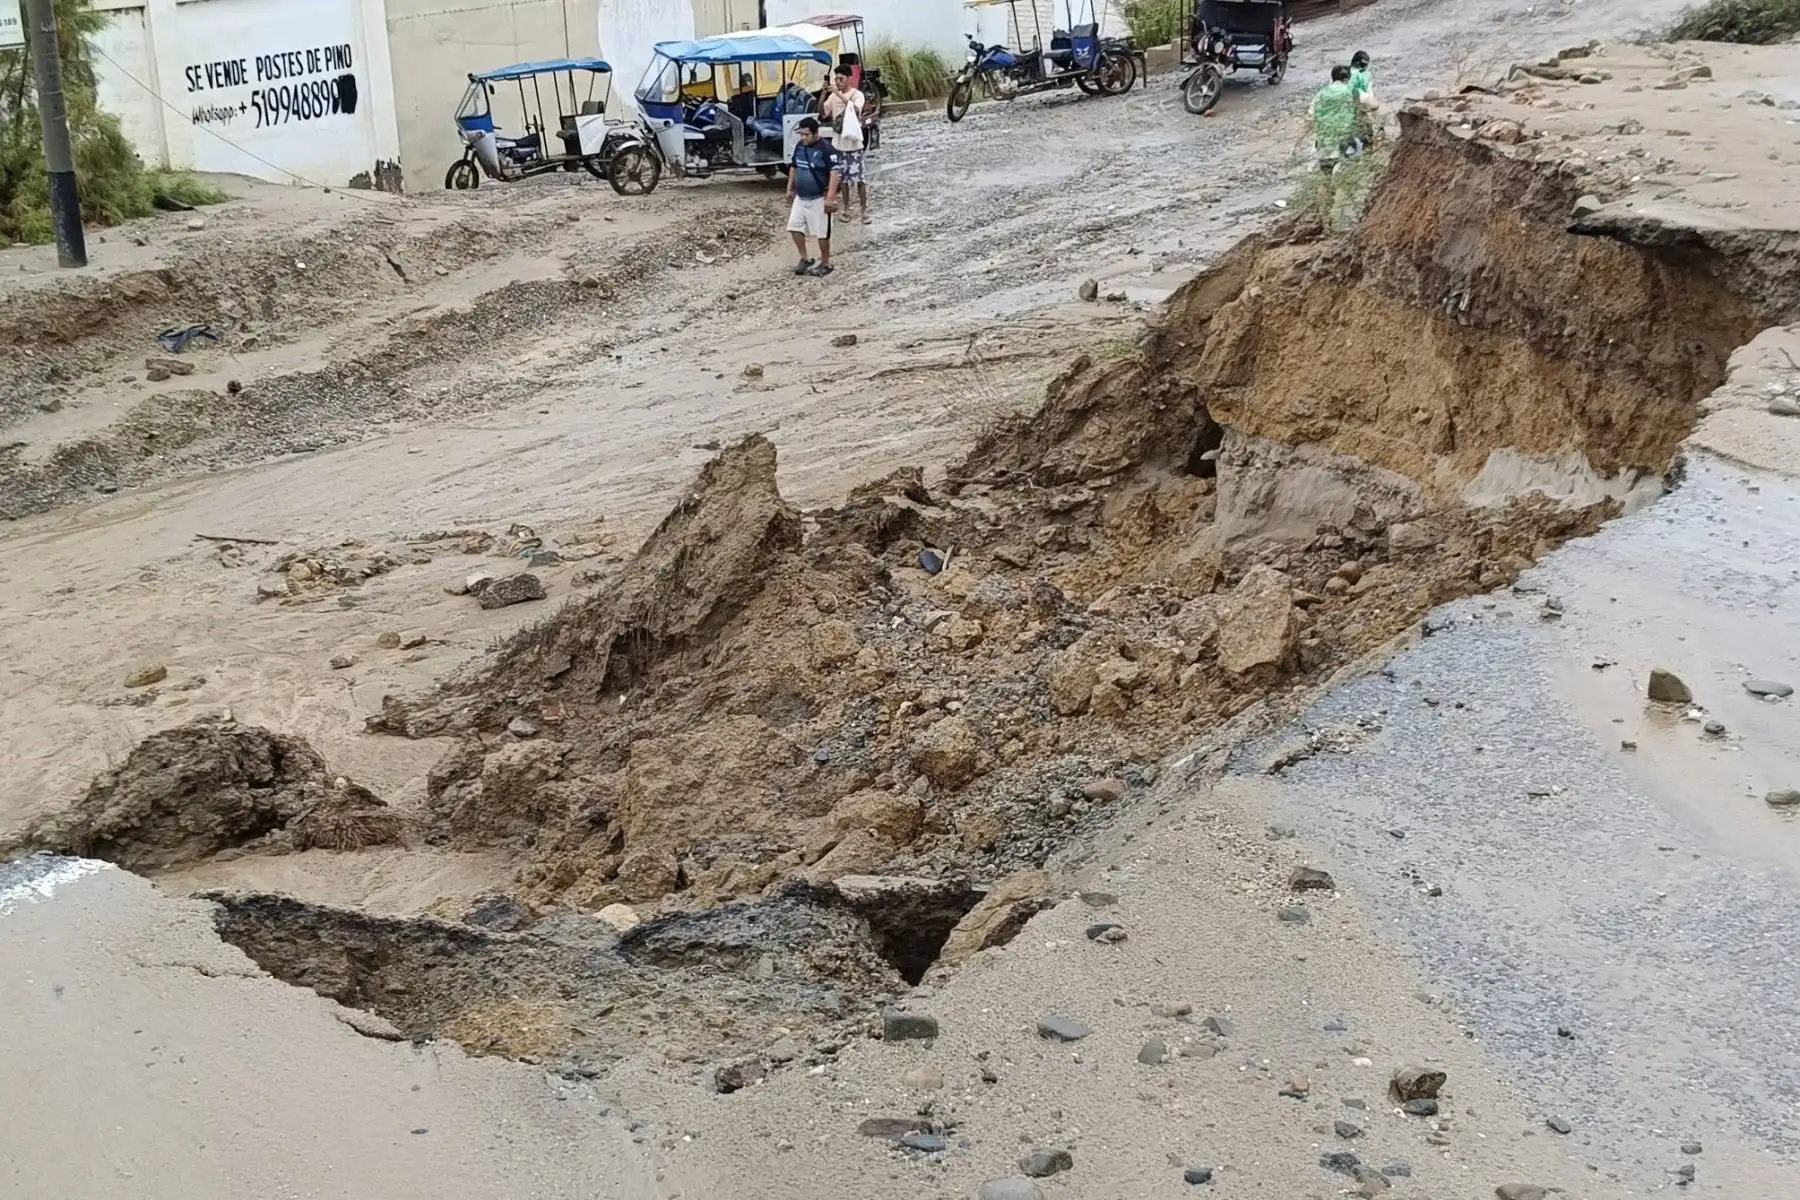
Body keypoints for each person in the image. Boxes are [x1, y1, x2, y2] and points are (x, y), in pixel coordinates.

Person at [787, 117, 841, 277]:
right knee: (794, 228)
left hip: (819, 196)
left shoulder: (826, 149)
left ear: (815, 133)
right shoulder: (799, 146)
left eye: (806, 135)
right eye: (801, 134)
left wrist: (830, 197)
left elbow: (835, 172)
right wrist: (789, 188)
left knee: (822, 232)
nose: (803, 138)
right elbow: (794, 166)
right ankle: (805, 258)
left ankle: (825, 262)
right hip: (801, 197)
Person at [820, 64, 870, 224]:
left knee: (860, 179)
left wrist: (837, 94)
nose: (838, 82)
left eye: (841, 79)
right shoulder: (833, 96)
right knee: (844, 180)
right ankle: (846, 209)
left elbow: (855, 110)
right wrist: (824, 93)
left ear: (849, 78)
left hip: (854, 144)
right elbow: (822, 112)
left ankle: (864, 210)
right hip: (839, 144)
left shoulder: (857, 95)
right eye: (836, 79)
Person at [1310, 64, 1360, 171]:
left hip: (1324, 144)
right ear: (1346, 79)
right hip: (1344, 144)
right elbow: (1374, 105)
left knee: (1325, 176)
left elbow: (1310, 115)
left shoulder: (1321, 93)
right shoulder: (1352, 92)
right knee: (1359, 148)